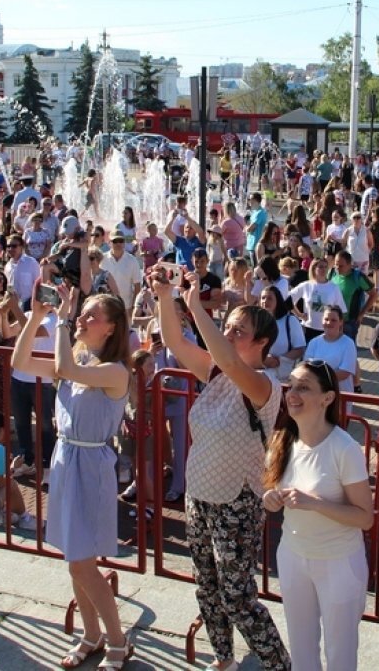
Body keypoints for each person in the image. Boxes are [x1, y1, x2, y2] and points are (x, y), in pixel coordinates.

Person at [151, 269, 290, 671]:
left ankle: (279, 663)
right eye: (226, 326)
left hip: (237, 501)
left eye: (238, 330)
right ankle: (223, 658)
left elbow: (229, 360)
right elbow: (176, 341)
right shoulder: (214, 373)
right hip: (200, 495)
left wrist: (195, 307)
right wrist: (165, 297)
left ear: (262, 342)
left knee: (237, 595)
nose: (228, 334)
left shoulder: (265, 385)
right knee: (207, 586)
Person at [11, 285, 134, 669]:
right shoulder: (77, 356)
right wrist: (34, 317)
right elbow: (21, 361)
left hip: (92, 462)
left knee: (82, 561)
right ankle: (92, 634)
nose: (82, 318)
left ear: (111, 328)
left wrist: (62, 321)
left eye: (91, 315)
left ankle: (117, 640)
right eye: (83, 313)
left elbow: (64, 370)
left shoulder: (113, 371)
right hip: (66, 457)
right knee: (73, 558)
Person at [262, 359, 373, 670]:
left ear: (327, 398)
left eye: (304, 387)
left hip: (339, 563)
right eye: (292, 386)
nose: (292, 393)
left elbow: (365, 517)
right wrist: (270, 500)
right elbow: (274, 492)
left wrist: (315, 504)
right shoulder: (282, 440)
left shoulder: (345, 448)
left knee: (340, 655)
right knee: (301, 650)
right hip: (293, 557)